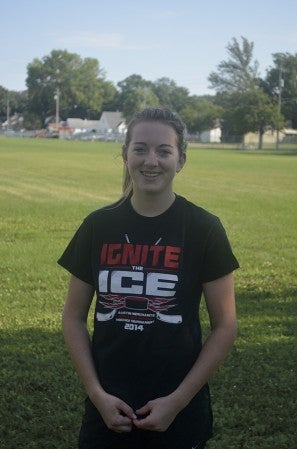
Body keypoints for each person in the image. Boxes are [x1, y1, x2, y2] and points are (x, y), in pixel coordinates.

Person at [58, 108, 239, 449]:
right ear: (125, 154)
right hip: (107, 411)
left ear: (181, 159)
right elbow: (72, 318)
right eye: (140, 148)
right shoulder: (98, 226)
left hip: (180, 412)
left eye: (164, 151)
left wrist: (178, 401)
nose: (151, 160)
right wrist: (97, 394)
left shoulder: (204, 229)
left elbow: (225, 326)